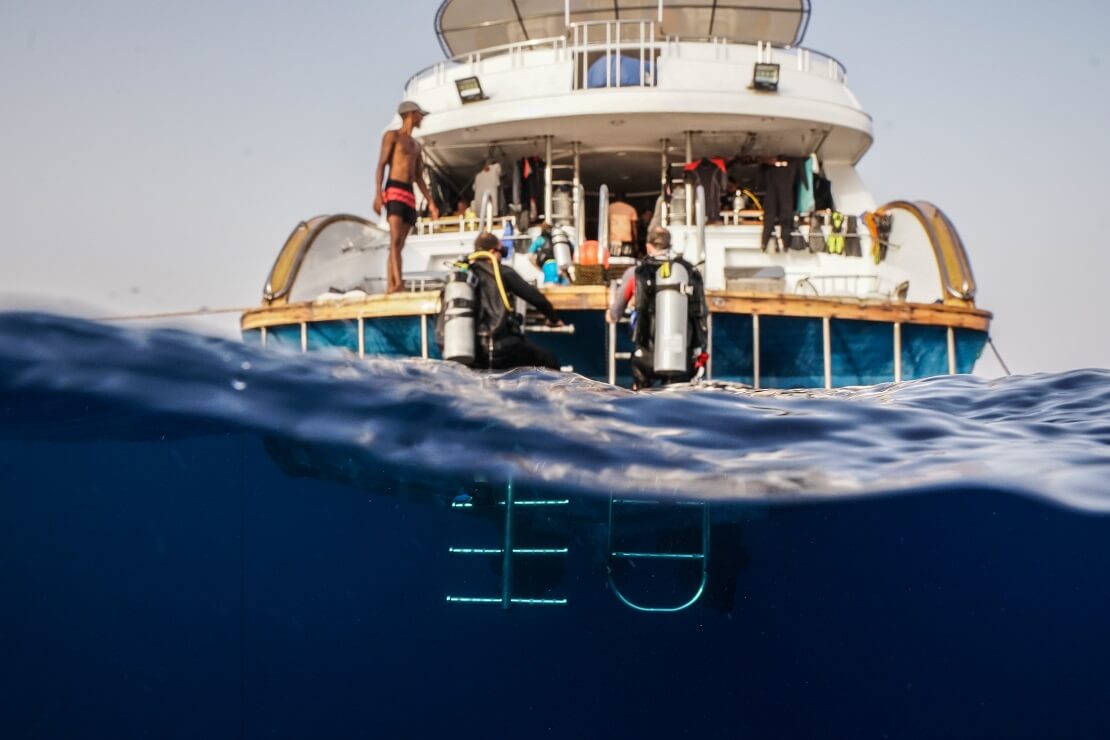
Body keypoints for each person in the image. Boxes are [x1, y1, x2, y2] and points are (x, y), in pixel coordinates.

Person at [438, 232, 564, 370]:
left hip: (470, 350)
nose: (502, 257)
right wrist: (553, 318)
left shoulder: (463, 276)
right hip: (500, 349)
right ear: (492, 251)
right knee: (550, 361)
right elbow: (535, 298)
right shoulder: (501, 272)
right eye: (502, 252)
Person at [606, 228, 708, 390]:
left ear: (648, 246)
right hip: (684, 356)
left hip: (647, 357)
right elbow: (701, 311)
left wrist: (613, 314)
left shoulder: (636, 273)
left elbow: (614, 314)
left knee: (643, 397)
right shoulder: (687, 272)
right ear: (670, 245)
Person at [373, 100, 440, 294]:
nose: (422, 118)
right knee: (394, 240)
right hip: (393, 188)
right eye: (420, 114)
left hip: (409, 193)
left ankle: (392, 285)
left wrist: (431, 202)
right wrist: (378, 194)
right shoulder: (392, 136)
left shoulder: (416, 146)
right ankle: (396, 284)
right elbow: (381, 165)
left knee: (400, 243)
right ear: (410, 114)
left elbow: (419, 177)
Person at [608, 193, 639, 259]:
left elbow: (606, 223)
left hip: (613, 239)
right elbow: (634, 227)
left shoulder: (609, 208)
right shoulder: (631, 208)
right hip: (627, 239)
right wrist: (635, 241)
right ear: (625, 200)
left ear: (614, 198)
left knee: (614, 259)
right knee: (626, 259)